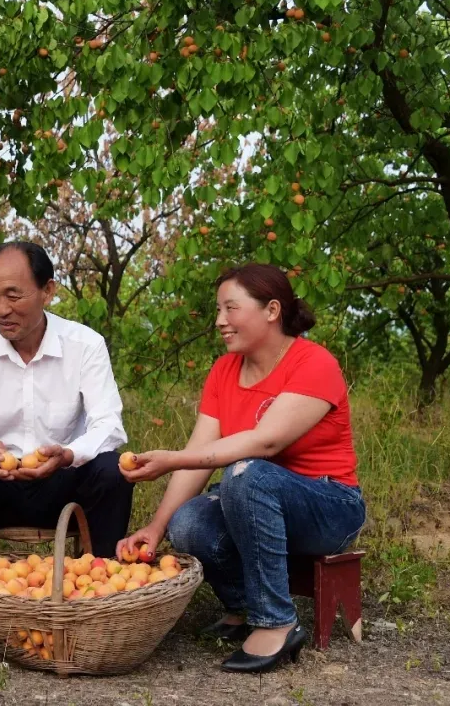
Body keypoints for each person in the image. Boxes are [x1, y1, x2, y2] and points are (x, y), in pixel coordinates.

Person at [117, 263, 365, 674]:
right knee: (188, 522)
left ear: (272, 310)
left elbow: (265, 442)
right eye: (218, 310)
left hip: (329, 504)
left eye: (230, 308)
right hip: (254, 491)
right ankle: (246, 606)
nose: (220, 320)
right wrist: (156, 527)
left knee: (246, 471)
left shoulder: (314, 363)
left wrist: (171, 459)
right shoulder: (224, 371)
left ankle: (276, 622)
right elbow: (199, 452)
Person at [0, 241, 133, 628]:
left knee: (112, 469)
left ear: (47, 291)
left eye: (14, 295)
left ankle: (97, 590)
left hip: (62, 483)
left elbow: (109, 426)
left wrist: (68, 455)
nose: (2, 309)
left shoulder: (85, 345)